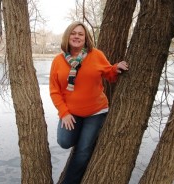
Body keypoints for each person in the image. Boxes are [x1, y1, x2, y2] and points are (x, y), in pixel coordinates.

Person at [49, 21, 129, 184]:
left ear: (86, 38)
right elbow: (54, 90)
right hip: (71, 113)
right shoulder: (58, 61)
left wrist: (116, 68)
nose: (76, 36)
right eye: (73, 33)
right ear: (67, 36)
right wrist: (63, 113)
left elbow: (109, 74)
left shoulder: (96, 55)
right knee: (64, 142)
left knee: (83, 151)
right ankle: (87, 136)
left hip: (96, 111)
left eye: (80, 34)